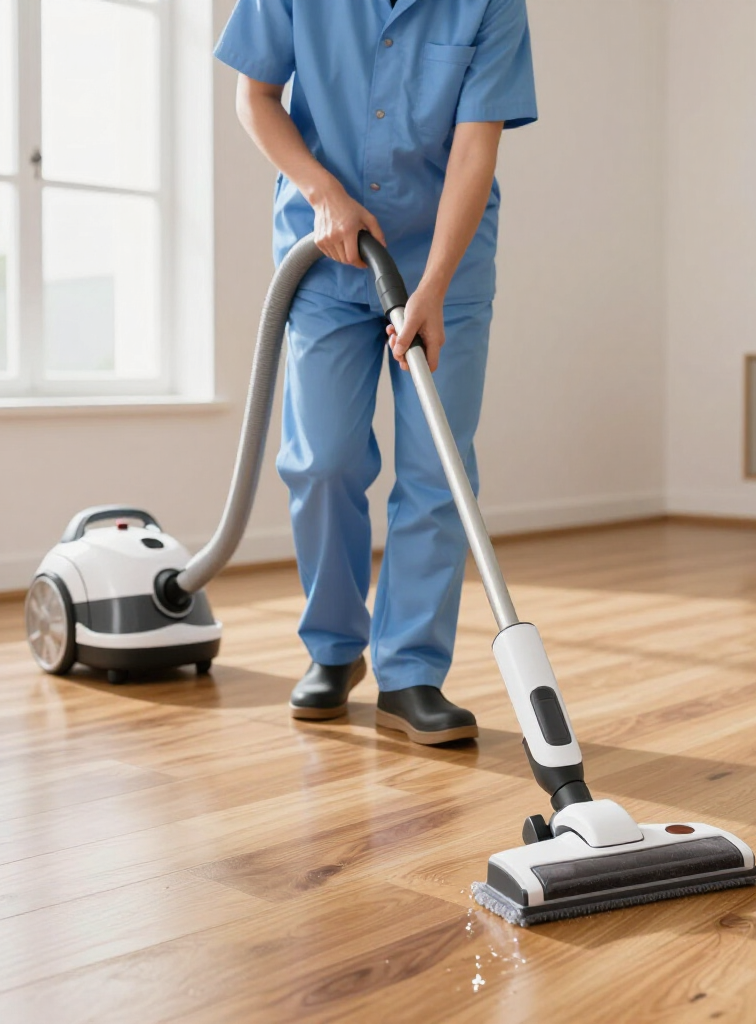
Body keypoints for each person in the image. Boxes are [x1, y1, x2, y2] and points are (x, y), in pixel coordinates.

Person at [214, 0, 536, 744]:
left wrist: (433, 287)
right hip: (325, 254)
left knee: (437, 469)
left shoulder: (491, 4)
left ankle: (412, 673)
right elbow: (254, 96)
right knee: (321, 461)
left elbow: (474, 148)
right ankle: (333, 649)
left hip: (443, 263)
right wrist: (324, 194)